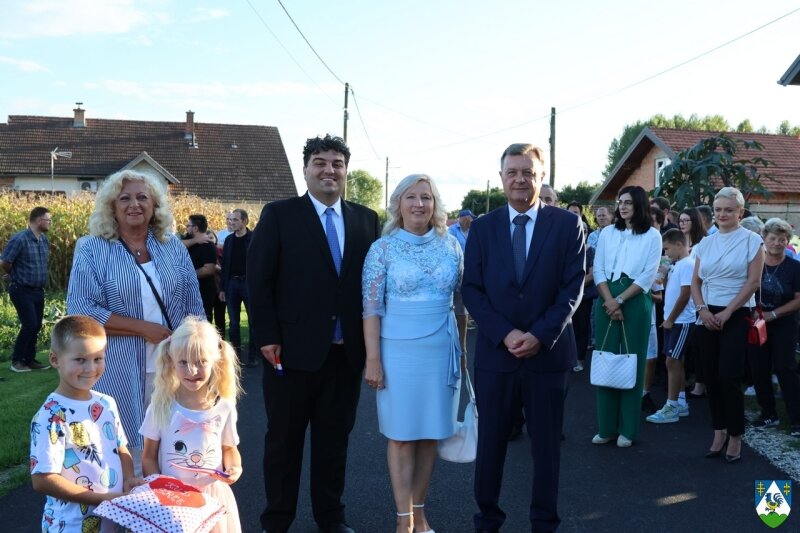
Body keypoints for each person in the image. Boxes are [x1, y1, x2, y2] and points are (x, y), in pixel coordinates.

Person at [248, 134, 381, 533]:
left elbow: (371, 287)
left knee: (334, 443)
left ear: (346, 171)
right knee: (283, 444)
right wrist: (267, 336)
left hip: (345, 355)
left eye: (336, 163)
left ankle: (330, 516)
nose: (329, 170)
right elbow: (259, 280)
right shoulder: (279, 215)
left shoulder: (365, 219)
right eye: (320, 162)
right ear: (305, 169)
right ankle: (277, 519)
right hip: (289, 352)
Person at [462, 143, 585, 532]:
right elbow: (472, 290)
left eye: (528, 172)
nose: (520, 178)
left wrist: (538, 335)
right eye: (512, 172)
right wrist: (506, 333)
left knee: (546, 448)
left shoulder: (567, 225)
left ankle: (544, 523)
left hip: (547, 356)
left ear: (541, 176)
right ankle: (487, 520)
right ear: (501, 178)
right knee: (491, 445)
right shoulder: (482, 227)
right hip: (496, 356)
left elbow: (572, 288)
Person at [67, 169, 205, 460]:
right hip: (118, 363)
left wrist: (200, 349)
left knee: (174, 444)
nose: (134, 204)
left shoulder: (173, 247)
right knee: (121, 447)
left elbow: (194, 305)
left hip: (172, 363)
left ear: (155, 205)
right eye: (125, 198)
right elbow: (81, 309)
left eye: (143, 197)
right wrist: (144, 329)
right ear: (111, 207)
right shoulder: (92, 249)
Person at [363, 174, 463, 533]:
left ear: (435, 205)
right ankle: (402, 519)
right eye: (411, 197)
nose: (419, 204)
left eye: (427, 197)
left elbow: (460, 304)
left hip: (441, 350)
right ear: (398, 204)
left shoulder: (451, 245)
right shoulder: (382, 249)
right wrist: (373, 359)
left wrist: (461, 355)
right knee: (402, 435)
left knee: (429, 434)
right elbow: (371, 308)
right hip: (397, 351)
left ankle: (419, 513)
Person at [30, 315, 143, 531]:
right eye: (80, 359)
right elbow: (42, 479)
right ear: (55, 360)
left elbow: (120, 447)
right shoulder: (52, 414)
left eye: (98, 358)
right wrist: (102, 499)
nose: (90, 368)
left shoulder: (106, 403)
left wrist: (128, 478)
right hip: (70, 525)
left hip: (109, 521)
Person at [140, 317, 243, 532]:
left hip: (213, 498)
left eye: (201, 362)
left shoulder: (224, 406)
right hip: (173, 498)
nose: (192, 370)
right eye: (183, 362)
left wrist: (235, 467)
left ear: (215, 360)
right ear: (171, 361)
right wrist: (161, 489)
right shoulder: (161, 406)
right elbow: (149, 457)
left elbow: (229, 448)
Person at [691, 187, 764, 463]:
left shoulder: (752, 240)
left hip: (737, 313)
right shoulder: (705, 243)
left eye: (728, 209)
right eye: (718, 209)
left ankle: (735, 435)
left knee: (729, 376)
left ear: (740, 213)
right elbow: (696, 281)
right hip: (707, 314)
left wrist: (727, 312)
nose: (722, 214)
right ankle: (718, 431)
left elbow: (753, 282)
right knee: (710, 376)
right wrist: (703, 310)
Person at [592, 185, 661, 448]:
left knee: (633, 361)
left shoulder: (652, 235)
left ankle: (628, 430)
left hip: (634, 299)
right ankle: (607, 427)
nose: (622, 207)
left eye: (629, 203)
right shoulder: (608, 232)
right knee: (605, 359)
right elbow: (597, 268)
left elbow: (647, 275)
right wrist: (610, 300)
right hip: (606, 297)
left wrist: (620, 300)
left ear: (640, 205)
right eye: (620, 202)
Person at [747, 218, 800, 437]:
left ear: (787, 241)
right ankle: (768, 413)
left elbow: (799, 299)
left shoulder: (794, 267)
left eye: (782, 239)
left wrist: (774, 314)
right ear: (764, 239)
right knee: (758, 368)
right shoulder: (754, 262)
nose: (777, 243)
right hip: (756, 324)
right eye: (772, 238)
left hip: (784, 323)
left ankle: (796, 418)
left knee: (785, 368)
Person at [646, 229, 695, 423]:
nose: (666, 254)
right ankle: (680, 402)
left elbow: (685, 295)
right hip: (673, 320)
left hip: (681, 321)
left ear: (679, 245)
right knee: (676, 361)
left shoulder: (687, 265)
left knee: (671, 361)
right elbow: (671, 291)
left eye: (667, 249)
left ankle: (672, 405)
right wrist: (663, 274)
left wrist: (671, 319)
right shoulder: (676, 265)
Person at [1, 206, 52, 372]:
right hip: (21, 289)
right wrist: (13, 274)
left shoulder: (43, 239)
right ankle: (17, 362)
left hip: (38, 290)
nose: (50, 222)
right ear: (38, 220)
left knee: (36, 325)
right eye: (48, 219)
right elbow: (4, 261)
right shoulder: (20, 239)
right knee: (29, 324)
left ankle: (30, 360)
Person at [220, 208, 257, 368]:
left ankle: (253, 356)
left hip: (249, 284)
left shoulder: (254, 239)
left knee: (253, 321)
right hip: (232, 284)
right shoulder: (229, 240)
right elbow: (225, 266)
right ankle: (236, 356)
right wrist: (222, 288)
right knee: (234, 322)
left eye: (235, 220)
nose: (231, 222)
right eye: (230, 220)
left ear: (244, 221)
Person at [449, 209, 474, 357]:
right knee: (454, 306)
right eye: (470, 218)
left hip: (469, 271)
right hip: (455, 270)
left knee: (462, 307)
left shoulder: (474, 230)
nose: (472, 221)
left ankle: (462, 346)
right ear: (464, 218)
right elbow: (451, 250)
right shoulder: (452, 231)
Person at [183, 214, 218, 323]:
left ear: (195, 228)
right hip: (187, 290)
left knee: (202, 321)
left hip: (203, 290)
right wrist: (195, 240)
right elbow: (176, 245)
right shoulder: (188, 241)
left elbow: (209, 269)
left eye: (188, 225)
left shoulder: (208, 245)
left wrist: (187, 276)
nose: (186, 228)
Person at [207, 230, 227, 338]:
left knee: (220, 318)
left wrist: (216, 267)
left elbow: (226, 269)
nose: (210, 240)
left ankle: (221, 341)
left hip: (220, 288)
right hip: (208, 289)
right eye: (208, 238)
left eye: (211, 238)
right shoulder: (203, 252)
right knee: (208, 318)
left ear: (215, 239)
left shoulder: (221, 251)